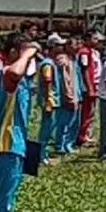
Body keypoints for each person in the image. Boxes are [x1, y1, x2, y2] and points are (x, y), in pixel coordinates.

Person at [0, 33, 39, 212]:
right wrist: (28, 52)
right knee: (4, 202)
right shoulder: (6, 75)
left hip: (18, 147)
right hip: (7, 147)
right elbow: (14, 72)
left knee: (9, 201)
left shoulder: (23, 82)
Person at [36, 33, 65, 166]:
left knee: (49, 128)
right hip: (50, 100)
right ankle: (41, 156)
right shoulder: (47, 64)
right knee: (46, 130)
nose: (62, 47)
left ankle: (44, 154)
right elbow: (48, 82)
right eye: (59, 45)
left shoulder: (52, 63)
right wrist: (48, 100)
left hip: (53, 100)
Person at [54, 35, 81, 155]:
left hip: (76, 93)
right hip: (67, 95)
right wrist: (68, 96)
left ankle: (68, 143)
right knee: (64, 121)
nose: (78, 47)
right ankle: (60, 145)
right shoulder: (63, 59)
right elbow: (65, 80)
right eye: (75, 44)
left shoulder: (74, 58)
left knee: (74, 121)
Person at [76, 30, 101, 147]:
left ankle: (86, 133)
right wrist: (90, 87)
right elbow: (85, 70)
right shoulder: (85, 52)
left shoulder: (93, 52)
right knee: (86, 111)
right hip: (88, 86)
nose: (97, 41)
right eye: (94, 38)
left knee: (91, 111)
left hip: (95, 84)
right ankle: (81, 136)